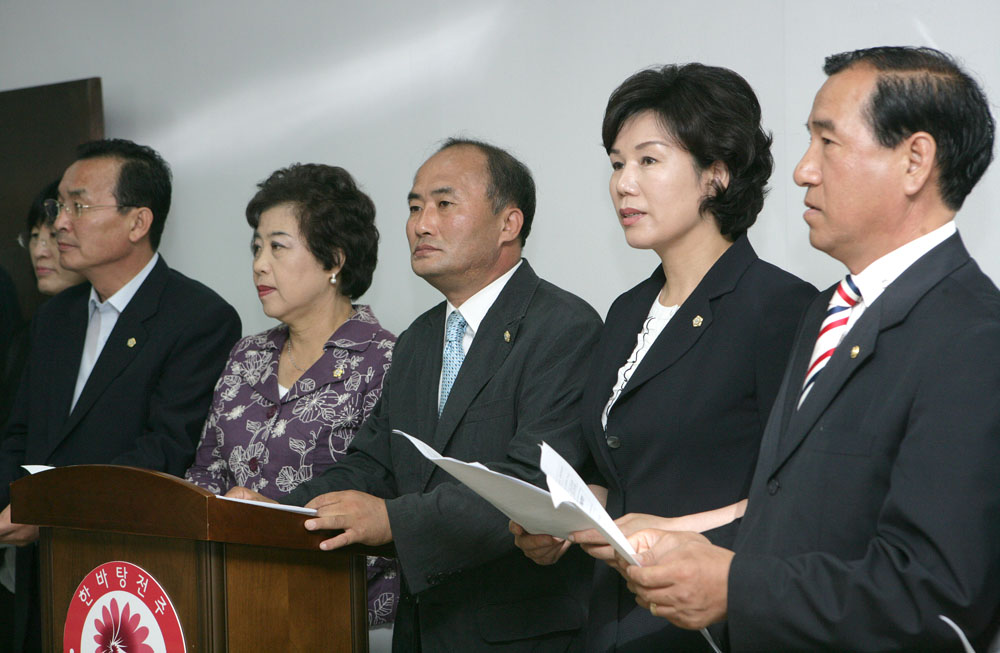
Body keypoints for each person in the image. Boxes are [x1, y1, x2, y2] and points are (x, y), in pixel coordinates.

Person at [622, 46, 1000, 651]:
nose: (803, 170)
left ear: (915, 161)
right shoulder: (826, 311)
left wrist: (736, 586)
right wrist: (689, 545)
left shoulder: (974, 339)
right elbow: (797, 516)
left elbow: (939, 601)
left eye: (828, 142)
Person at [230, 138, 603, 651]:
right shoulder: (418, 340)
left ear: (508, 224)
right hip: (423, 632)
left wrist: (390, 521)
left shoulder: (564, 327)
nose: (420, 224)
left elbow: (531, 487)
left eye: (444, 205)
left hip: (519, 634)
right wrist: (276, 514)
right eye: (413, 207)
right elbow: (373, 465)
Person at [511, 64, 816, 651]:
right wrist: (563, 524)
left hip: (711, 621)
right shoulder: (626, 311)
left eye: (648, 161)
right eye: (617, 163)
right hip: (612, 619)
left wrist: (673, 532)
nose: (624, 183)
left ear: (716, 175)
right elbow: (621, 479)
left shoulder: (779, 308)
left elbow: (802, 496)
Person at [0, 138, 241, 652]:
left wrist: (54, 512)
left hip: (135, 584)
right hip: (41, 577)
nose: (61, 221)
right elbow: (20, 436)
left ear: (138, 223)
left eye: (79, 206)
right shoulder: (53, 319)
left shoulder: (198, 318)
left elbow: (168, 449)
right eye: (58, 206)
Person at [184, 163, 399, 628]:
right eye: (257, 247)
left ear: (334, 261)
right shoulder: (247, 354)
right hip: (232, 601)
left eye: (278, 247)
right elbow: (208, 473)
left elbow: (386, 493)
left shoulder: (384, 360)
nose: (260, 263)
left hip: (342, 613)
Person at [0, 180, 88, 644]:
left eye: (52, 234)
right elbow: (16, 435)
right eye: (32, 236)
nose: (42, 248)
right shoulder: (36, 332)